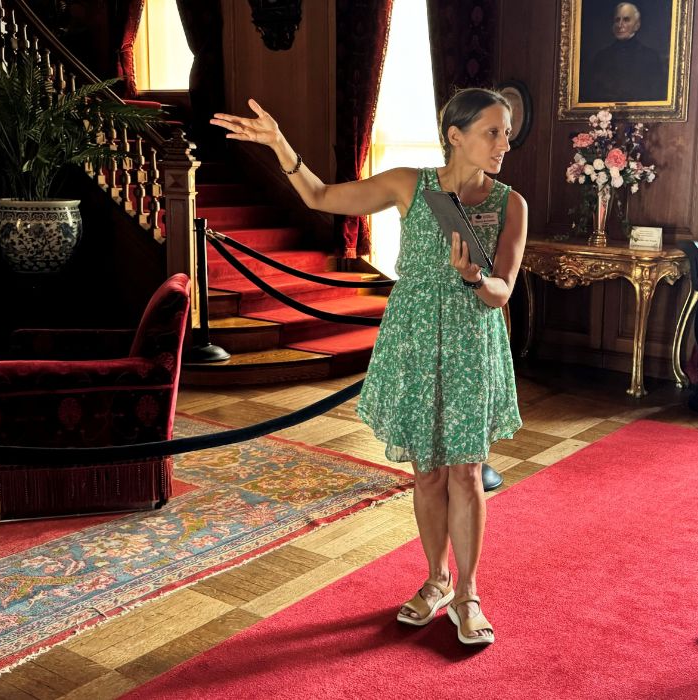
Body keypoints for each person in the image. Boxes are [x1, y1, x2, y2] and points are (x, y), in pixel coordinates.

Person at [211, 88, 527, 647]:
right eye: (493, 131)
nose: (505, 142)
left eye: (506, 132)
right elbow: (319, 196)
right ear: (455, 136)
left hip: (471, 344)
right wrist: (279, 143)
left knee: (466, 473)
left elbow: (502, 292)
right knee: (427, 472)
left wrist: (476, 279)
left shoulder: (510, 204)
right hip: (412, 341)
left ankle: (469, 593)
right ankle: (436, 580)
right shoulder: (410, 185)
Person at [581, 2, 667, 103]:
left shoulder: (650, 57)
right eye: (617, 20)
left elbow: (655, 96)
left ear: (637, 25)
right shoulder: (601, 57)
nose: (620, 25)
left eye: (626, 20)